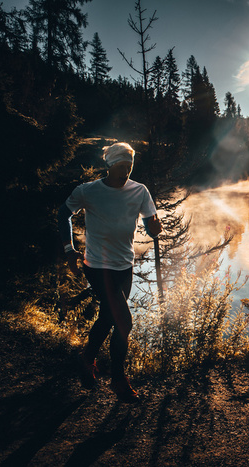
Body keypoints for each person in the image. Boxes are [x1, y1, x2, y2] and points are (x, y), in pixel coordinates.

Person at [58, 142, 162, 402]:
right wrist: (69, 250)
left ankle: (86, 359)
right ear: (109, 165)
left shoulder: (140, 191)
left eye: (129, 166)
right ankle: (118, 379)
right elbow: (63, 214)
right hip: (97, 266)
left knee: (107, 318)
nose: (125, 171)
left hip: (124, 266)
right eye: (120, 166)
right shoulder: (88, 191)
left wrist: (155, 228)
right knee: (124, 321)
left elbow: (151, 227)